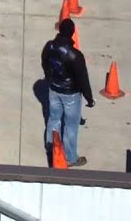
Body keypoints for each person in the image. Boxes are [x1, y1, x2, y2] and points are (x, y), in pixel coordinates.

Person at [41, 19, 94, 168]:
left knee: (53, 119)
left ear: (59, 30)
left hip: (53, 89)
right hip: (71, 94)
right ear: (72, 32)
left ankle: (51, 147)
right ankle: (70, 158)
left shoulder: (49, 46)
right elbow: (83, 79)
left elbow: (44, 62)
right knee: (71, 126)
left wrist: (50, 78)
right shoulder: (75, 55)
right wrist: (89, 99)